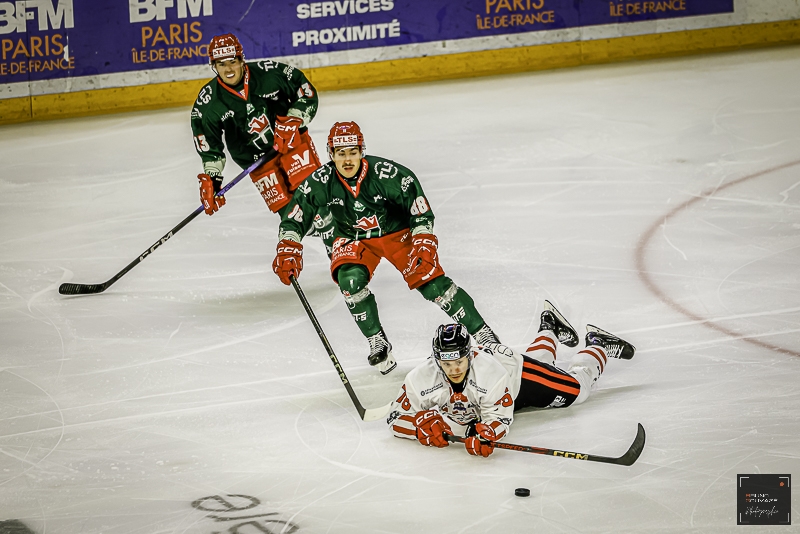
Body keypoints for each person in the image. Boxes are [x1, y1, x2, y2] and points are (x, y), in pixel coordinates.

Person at [271, 121, 500, 375]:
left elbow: (420, 210)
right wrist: (288, 246)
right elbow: (295, 216)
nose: (347, 160)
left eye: (353, 152)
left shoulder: (388, 175)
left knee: (433, 285)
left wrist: (423, 241)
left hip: (397, 234)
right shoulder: (321, 182)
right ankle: (376, 340)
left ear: (362, 151)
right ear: (331, 154)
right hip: (352, 237)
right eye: (341, 153)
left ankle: (484, 334)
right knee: (349, 281)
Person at [386, 301, 636, 457]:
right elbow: (394, 418)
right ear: (436, 359)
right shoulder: (421, 378)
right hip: (495, 393)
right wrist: (417, 427)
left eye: (459, 362)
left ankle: (598, 345)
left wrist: (487, 432)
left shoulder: (491, 373)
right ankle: (549, 326)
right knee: (545, 363)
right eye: (447, 363)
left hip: (517, 376)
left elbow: (502, 417)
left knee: (576, 390)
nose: (453, 369)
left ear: (470, 355)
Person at [190, 33, 334, 248]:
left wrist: (294, 119)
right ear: (213, 65)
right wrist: (213, 178)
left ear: (242, 59)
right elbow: (210, 146)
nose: (228, 69)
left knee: (318, 204)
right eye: (221, 64)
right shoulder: (208, 102)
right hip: (256, 162)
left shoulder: (269, 73)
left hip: (292, 145)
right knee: (292, 215)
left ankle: (345, 262)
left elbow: (305, 91)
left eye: (232, 62)